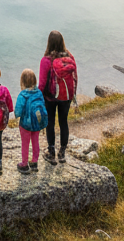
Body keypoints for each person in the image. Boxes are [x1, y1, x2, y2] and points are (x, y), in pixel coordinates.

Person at [39, 29, 77, 163]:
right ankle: (62, 153)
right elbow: (74, 77)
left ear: (49, 43)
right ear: (62, 42)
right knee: (63, 122)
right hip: (65, 96)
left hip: (50, 97)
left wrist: (38, 97)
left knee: (50, 122)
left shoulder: (46, 60)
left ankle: (51, 152)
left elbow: (42, 83)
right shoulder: (69, 57)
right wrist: (73, 95)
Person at [13, 68, 47, 173]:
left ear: (22, 82)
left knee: (25, 143)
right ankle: (34, 162)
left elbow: (18, 111)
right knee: (35, 141)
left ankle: (24, 164)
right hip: (37, 122)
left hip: (25, 124)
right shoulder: (39, 93)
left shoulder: (23, 95)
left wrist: (16, 116)